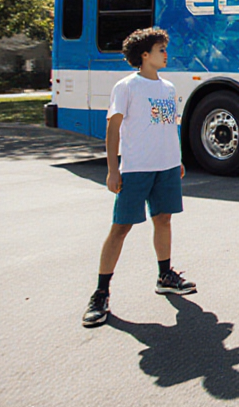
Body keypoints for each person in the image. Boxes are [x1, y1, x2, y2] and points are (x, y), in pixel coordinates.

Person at [82, 28, 195, 327]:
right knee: (120, 228)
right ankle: (101, 293)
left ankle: (165, 276)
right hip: (136, 169)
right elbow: (113, 129)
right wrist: (112, 169)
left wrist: (177, 159)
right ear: (144, 55)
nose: (166, 54)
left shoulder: (168, 88)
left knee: (164, 219)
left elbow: (170, 126)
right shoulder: (126, 87)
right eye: (160, 49)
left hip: (166, 167)